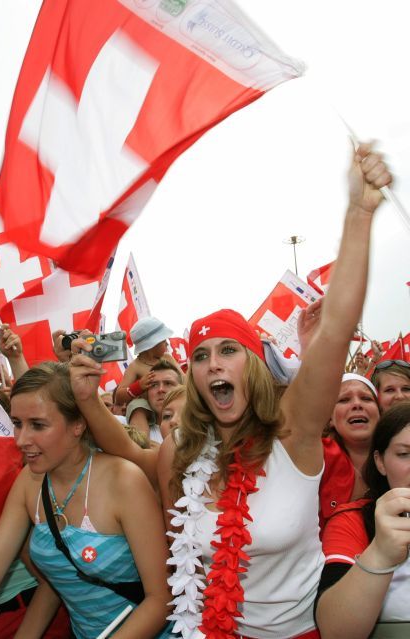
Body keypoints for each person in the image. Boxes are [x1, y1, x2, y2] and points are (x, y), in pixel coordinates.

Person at [152, 143, 392, 639]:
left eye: (228, 351)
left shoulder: (295, 431)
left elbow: (338, 323)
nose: (213, 362)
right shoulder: (179, 451)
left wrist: (360, 211)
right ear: (194, 380)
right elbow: (180, 564)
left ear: (256, 368)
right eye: (200, 356)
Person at [0, 361, 172, 639]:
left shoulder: (124, 480)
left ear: (78, 425)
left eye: (38, 425)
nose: (21, 440)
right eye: (17, 424)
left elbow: (160, 600)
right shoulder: (28, 483)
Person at [315, 401, 410, 638]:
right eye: (405, 454)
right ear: (380, 462)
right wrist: (380, 554)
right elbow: (335, 631)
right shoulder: (353, 520)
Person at [320, 373, 380, 530]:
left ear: (380, 413)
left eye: (366, 399)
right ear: (330, 419)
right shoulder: (315, 460)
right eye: (344, 400)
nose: (357, 405)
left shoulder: (402, 460)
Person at [114, 317, 174, 406]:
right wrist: (138, 386)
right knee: (137, 406)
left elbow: (184, 381)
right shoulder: (135, 367)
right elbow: (118, 398)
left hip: (173, 406)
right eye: (164, 340)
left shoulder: (168, 358)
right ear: (152, 345)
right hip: (150, 415)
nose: (167, 343)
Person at [126, 360, 182, 444]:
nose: (160, 389)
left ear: (181, 389)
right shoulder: (126, 425)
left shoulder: (201, 428)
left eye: (168, 383)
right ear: (147, 392)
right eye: (154, 385)